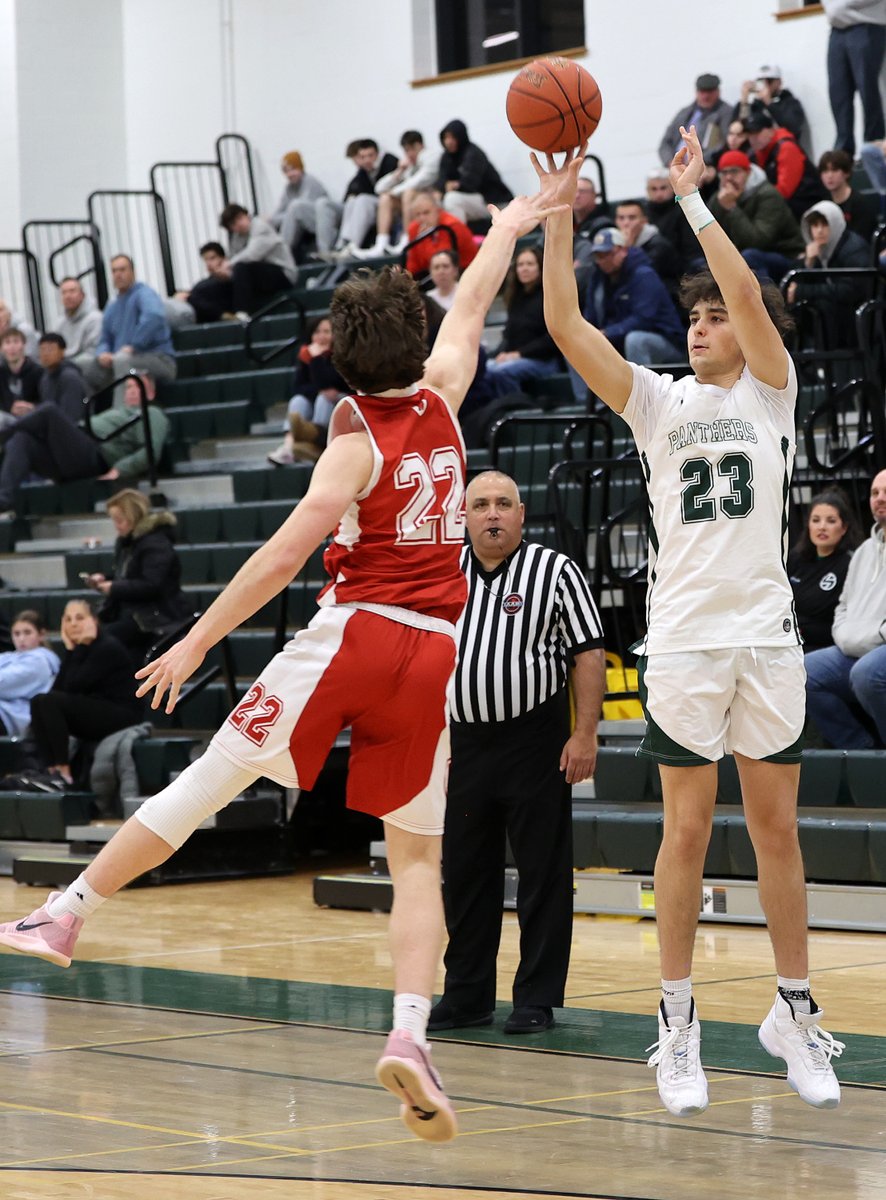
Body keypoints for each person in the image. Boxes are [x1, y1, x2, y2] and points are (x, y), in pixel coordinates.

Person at [0, 188, 562, 1144]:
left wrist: (196, 638)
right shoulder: (450, 395)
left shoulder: (350, 441)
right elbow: (470, 305)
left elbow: (278, 560)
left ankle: (66, 912)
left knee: (212, 776)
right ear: (414, 341)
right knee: (417, 859)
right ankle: (412, 1032)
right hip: (435, 654)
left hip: (354, 635)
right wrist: (512, 226)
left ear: (340, 360)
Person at [538, 125, 844, 1117]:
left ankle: (792, 1012)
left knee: (778, 835)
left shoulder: (770, 398)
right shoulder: (659, 406)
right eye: (697, 317)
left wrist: (692, 200)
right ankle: (675, 1022)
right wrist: (554, 223)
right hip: (680, 643)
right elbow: (567, 331)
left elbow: (751, 297)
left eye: (718, 315)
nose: (707, 323)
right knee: (682, 834)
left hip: (764, 638)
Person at [429, 470, 604, 1035]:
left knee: (543, 874)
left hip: (537, 741)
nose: (492, 514)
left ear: (522, 514)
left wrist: (585, 734)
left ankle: (536, 997)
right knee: (463, 875)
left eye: (504, 503)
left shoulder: (555, 571)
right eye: (480, 505)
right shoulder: (440, 575)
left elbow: (588, 654)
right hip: (464, 745)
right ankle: (466, 994)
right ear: (465, 516)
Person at [0, 372, 169, 520]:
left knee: (49, 411)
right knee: (22, 439)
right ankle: (3, 501)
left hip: (94, 455)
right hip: (73, 453)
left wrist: (120, 469)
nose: (132, 391)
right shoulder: (117, 412)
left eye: (138, 387)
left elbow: (151, 451)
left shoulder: (153, 413)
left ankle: (3, 434)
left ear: (151, 393)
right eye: (128, 387)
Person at [805, 470, 886, 749]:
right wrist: (843, 635)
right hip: (855, 647)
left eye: (885, 492)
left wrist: (875, 635)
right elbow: (844, 605)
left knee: (867, 674)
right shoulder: (864, 551)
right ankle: (861, 750)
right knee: (804, 670)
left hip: (879, 648)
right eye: (875, 493)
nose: (880, 498)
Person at [28, 599, 143, 790]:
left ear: (94, 621)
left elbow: (74, 686)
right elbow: (57, 689)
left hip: (122, 714)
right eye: (68, 619)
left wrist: (76, 649)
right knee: (38, 701)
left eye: (80, 618)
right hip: (96, 707)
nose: (73, 624)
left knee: (49, 702)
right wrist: (72, 650)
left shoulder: (107, 647)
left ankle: (64, 773)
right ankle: (50, 769)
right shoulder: (79, 649)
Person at [84, 488, 191, 667]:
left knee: (102, 641)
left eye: (119, 520)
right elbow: (129, 575)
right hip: (135, 614)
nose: (116, 526)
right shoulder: (128, 542)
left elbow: (152, 585)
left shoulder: (155, 543)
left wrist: (113, 587)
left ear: (133, 516)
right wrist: (105, 579)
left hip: (155, 615)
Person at [580, 228, 685, 366]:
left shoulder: (643, 274)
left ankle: (643, 388)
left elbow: (644, 319)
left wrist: (607, 333)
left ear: (622, 250)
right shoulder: (597, 278)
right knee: (577, 344)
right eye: (598, 256)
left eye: (607, 254)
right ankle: (588, 388)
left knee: (635, 340)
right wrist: (588, 334)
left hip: (665, 340)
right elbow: (590, 315)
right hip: (616, 339)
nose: (602, 260)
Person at [81, 256, 176, 397]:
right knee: (82, 364)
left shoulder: (145, 294)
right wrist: (102, 353)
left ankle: (121, 413)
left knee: (122, 360)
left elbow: (154, 317)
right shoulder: (112, 305)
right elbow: (105, 337)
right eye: (114, 271)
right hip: (120, 358)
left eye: (122, 270)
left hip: (158, 359)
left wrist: (134, 346)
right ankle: (85, 416)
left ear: (132, 272)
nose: (118, 274)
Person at [707, 150, 804, 283]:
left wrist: (732, 208)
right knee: (702, 264)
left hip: (785, 254)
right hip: (746, 253)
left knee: (750, 257)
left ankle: (765, 302)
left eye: (734, 171)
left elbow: (758, 240)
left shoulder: (768, 195)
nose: (729, 178)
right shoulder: (720, 198)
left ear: (748, 173)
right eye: (724, 173)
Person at [785, 200, 873, 346]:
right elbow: (790, 287)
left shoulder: (853, 249)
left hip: (858, 314)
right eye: (814, 225)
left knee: (819, 305)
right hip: (838, 313)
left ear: (835, 224)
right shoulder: (817, 250)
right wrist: (808, 262)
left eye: (824, 224)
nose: (819, 231)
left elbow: (849, 290)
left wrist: (802, 291)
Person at [266, 316, 349, 466]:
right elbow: (299, 387)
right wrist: (320, 389)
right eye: (317, 332)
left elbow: (333, 382)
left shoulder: (342, 355)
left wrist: (317, 359)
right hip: (321, 399)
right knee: (299, 400)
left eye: (326, 331)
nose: (321, 336)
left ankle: (318, 444)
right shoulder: (306, 355)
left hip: (344, 400)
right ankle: (289, 447)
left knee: (324, 399)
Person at [788, 489, 860, 655]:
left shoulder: (851, 563)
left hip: (825, 648)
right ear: (808, 525)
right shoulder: (796, 558)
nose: (822, 527)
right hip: (790, 643)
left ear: (844, 527)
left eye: (831, 521)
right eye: (816, 520)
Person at [484, 246, 561, 397]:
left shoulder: (549, 298)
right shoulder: (515, 299)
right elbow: (509, 335)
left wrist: (519, 354)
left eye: (530, 264)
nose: (524, 269)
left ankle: (516, 409)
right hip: (517, 358)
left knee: (501, 372)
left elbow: (552, 339)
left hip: (544, 360)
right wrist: (502, 353)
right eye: (520, 265)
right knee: (483, 369)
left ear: (540, 267)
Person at [356, 130, 441, 259]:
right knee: (385, 198)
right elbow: (379, 188)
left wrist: (395, 191)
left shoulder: (431, 156)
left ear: (419, 145)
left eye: (411, 149)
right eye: (406, 151)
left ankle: (407, 238)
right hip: (413, 201)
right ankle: (381, 244)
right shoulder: (410, 164)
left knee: (408, 193)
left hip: (431, 199)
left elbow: (420, 180)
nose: (409, 154)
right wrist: (399, 171)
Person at [822, 0, 886, 156]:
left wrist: (840, 5)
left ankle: (873, 147)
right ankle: (844, 154)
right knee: (838, 93)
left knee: (868, 90)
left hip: (867, 24)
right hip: (837, 29)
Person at [324, 140, 400, 261]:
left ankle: (354, 244)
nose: (367, 160)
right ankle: (343, 244)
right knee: (352, 200)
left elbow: (382, 189)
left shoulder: (389, 161)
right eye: (363, 157)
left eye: (370, 156)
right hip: (376, 205)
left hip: (392, 205)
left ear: (377, 154)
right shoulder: (364, 171)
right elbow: (353, 190)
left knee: (363, 200)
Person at [744, 112, 826, 219]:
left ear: (770, 130)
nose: (753, 139)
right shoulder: (760, 152)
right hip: (791, 206)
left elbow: (784, 190)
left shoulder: (786, 148)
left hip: (809, 207)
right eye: (750, 134)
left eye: (757, 133)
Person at [220, 205, 298, 315]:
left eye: (239, 218)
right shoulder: (237, 238)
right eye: (233, 224)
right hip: (262, 275)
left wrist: (228, 265)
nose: (239, 224)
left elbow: (252, 255)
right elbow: (234, 257)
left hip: (283, 273)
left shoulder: (260, 227)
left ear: (246, 215)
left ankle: (242, 312)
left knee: (241, 268)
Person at [435, 119, 513, 224]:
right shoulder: (446, 157)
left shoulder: (473, 153)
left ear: (460, 137)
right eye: (446, 137)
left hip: (494, 202)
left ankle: (460, 238)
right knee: (433, 202)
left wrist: (455, 185)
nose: (449, 141)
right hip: (474, 201)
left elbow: (470, 183)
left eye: (452, 137)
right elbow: (441, 180)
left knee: (451, 199)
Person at [0, 610, 60, 738]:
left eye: (27, 633)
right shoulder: (8, 656)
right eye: (16, 634)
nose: (21, 638)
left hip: (12, 719)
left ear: (41, 635)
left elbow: (3, 683)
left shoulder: (40, 661)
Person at [658, 73, 732, 166]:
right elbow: (665, 143)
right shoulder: (685, 112)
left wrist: (695, 162)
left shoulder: (725, 113)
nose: (705, 96)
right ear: (696, 92)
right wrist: (671, 162)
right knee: (654, 179)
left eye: (709, 92)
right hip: (676, 164)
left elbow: (722, 144)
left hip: (704, 165)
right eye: (702, 92)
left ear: (718, 91)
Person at [403, 189, 477, 279]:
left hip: (464, 271)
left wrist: (425, 238)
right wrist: (408, 278)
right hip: (432, 272)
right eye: (417, 214)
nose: (422, 218)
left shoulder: (451, 226)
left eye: (426, 212)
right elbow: (414, 262)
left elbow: (441, 262)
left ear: (438, 211)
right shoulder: (414, 228)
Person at [267, 151, 330, 257]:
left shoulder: (310, 181)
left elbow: (298, 212)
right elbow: (279, 213)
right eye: (286, 171)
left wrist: (277, 218)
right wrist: (269, 220)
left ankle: (282, 253)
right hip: (301, 227)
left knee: (296, 206)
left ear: (301, 168)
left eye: (293, 169)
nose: (290, 174)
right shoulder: (289, 188)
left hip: (318, 223)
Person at [613, 199, 681, 290]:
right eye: (621, 218)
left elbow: (640, 275)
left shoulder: (659, 245)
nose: (626, 223)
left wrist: (628, 247)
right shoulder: (613, 243)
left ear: (644, 220)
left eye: (632, 218)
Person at [734, 65, 808, 145]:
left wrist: (769, 103)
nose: (765, 86)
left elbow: (793, 127)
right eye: (761, 81)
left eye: (769, 81)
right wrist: (744, 101)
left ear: (779, 82)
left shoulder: (790, 103)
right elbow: (739, 128)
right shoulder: (757, 105)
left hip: (784, 149)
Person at [819, 149, 881, 242]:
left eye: (834, 170)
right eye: (825, 171)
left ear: (846, 173)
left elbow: (862, 240)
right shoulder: (824, 205)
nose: (829, 176)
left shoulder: (860, 204)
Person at [173, 242, 236, 325]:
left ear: (223, 258)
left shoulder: (231, 278)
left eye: (212, 258)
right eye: (206, 259)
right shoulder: (207, 282)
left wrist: (189, 297)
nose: (208, 263)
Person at [51, 278, 103, 369]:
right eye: (64, 293)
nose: (68, 296)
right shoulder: (60, 323)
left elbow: (93, 351)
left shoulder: (95, 319)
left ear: (82, 295)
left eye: (72, 291)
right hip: (65, 367)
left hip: (89, 368)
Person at [37, 333, 86, 421]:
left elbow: (72, 415)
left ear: (62, 352)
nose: (46, 354)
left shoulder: (70, 377)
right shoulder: (45, 378)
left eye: (50, 349)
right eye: (42, 349)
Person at [0, 328, 42, 422]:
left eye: (16, 341)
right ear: (1, 348)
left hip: (34, 417)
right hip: (7, 418)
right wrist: (9, 408)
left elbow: (46, 399)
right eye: (7, 342)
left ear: (24, 345)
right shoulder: (1, 373)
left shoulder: (37, 371)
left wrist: (32, 407)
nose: (12, 347)